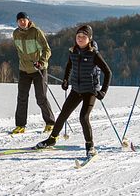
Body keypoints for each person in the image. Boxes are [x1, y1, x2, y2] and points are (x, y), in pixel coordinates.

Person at [35, 24, 111, 157]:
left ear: (89, 38)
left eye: (83, 36)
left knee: (83, 117)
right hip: (76, 89)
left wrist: (103, 91)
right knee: (63, 114)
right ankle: (52, 139)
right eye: (78, 36)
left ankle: (90, 146)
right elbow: (69, 65)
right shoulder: (73, 51)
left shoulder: (94, 54)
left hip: (90, 91)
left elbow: (108, 72)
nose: (80, 39)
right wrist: (65, 80)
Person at [11, 11, 55, 134]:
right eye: (19, 20)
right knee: (21, 98)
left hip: (38, 69)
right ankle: (20, 125)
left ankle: (50, 123)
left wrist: (41, 62)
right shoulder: (15, 34)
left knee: (41, 97)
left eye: (24, 20)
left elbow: (47, 49)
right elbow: (20, 52)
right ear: (17, 22)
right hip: (24, 70)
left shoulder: (36, 31)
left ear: (28, 20)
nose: (22, 22)